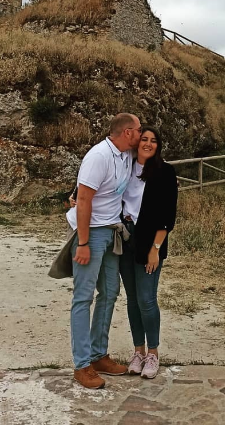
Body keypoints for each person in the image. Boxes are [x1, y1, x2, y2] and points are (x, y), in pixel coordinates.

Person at [66, 112, 142, 389]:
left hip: (112, 231)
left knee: (110, 293)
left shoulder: (126, 155)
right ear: (127, 132)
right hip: (91, 233)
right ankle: (82, 365)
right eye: (138, 130)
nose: (141, 134)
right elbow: (84, 199)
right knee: (83, 298)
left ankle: (98, 355)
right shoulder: (98, 156)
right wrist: (83, 243)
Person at [119, 125, 178, 379]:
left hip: (150, 240)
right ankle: (138, 352)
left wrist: (156, 249)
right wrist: (76, 195)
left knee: (147, 299)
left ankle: (153, 353)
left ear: (158, 146)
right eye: (144, 139)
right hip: (124, 237)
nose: (148, 144)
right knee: (132, 299)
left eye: (154, 141)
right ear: (137, 142)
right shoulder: (125, 167)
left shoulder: (165, 172)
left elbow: (167, 216)